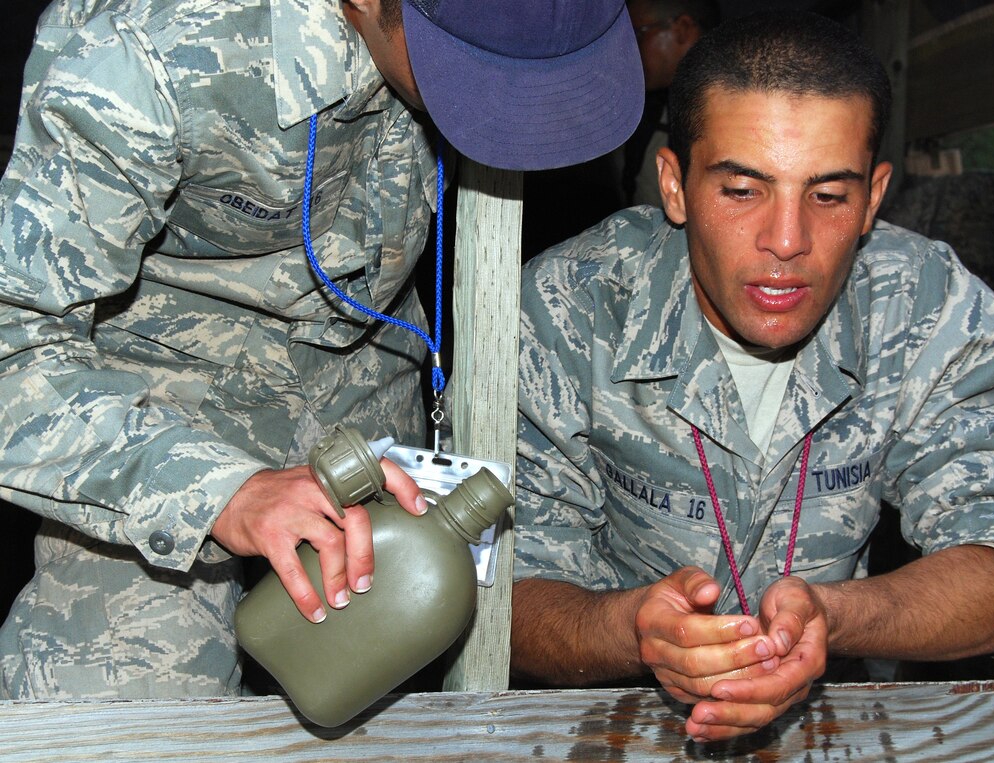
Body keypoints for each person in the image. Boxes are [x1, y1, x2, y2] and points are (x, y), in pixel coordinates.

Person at [0, 0, 643, 699]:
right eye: (478, 78)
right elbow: (13, 355)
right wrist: (220, 492)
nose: (523, 121)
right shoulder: (148, 59)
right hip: (157, 409)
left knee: (389, 696)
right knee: (112, 716)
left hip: (367, 383)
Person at [511, 11, 994, 744]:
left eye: (828, 196)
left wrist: (835, 616)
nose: (786, 240)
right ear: (674, 187)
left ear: (874, 197)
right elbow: (502, 595)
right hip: (607, 725)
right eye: (742, 191)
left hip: (836, 723)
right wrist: (629, 630)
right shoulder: (570, 306)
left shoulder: (925, 304)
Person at [622, 0, 719, 206]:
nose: (627, 52)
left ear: (682, 29)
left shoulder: (731, 115)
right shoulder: (646, 106)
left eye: (638, 35)